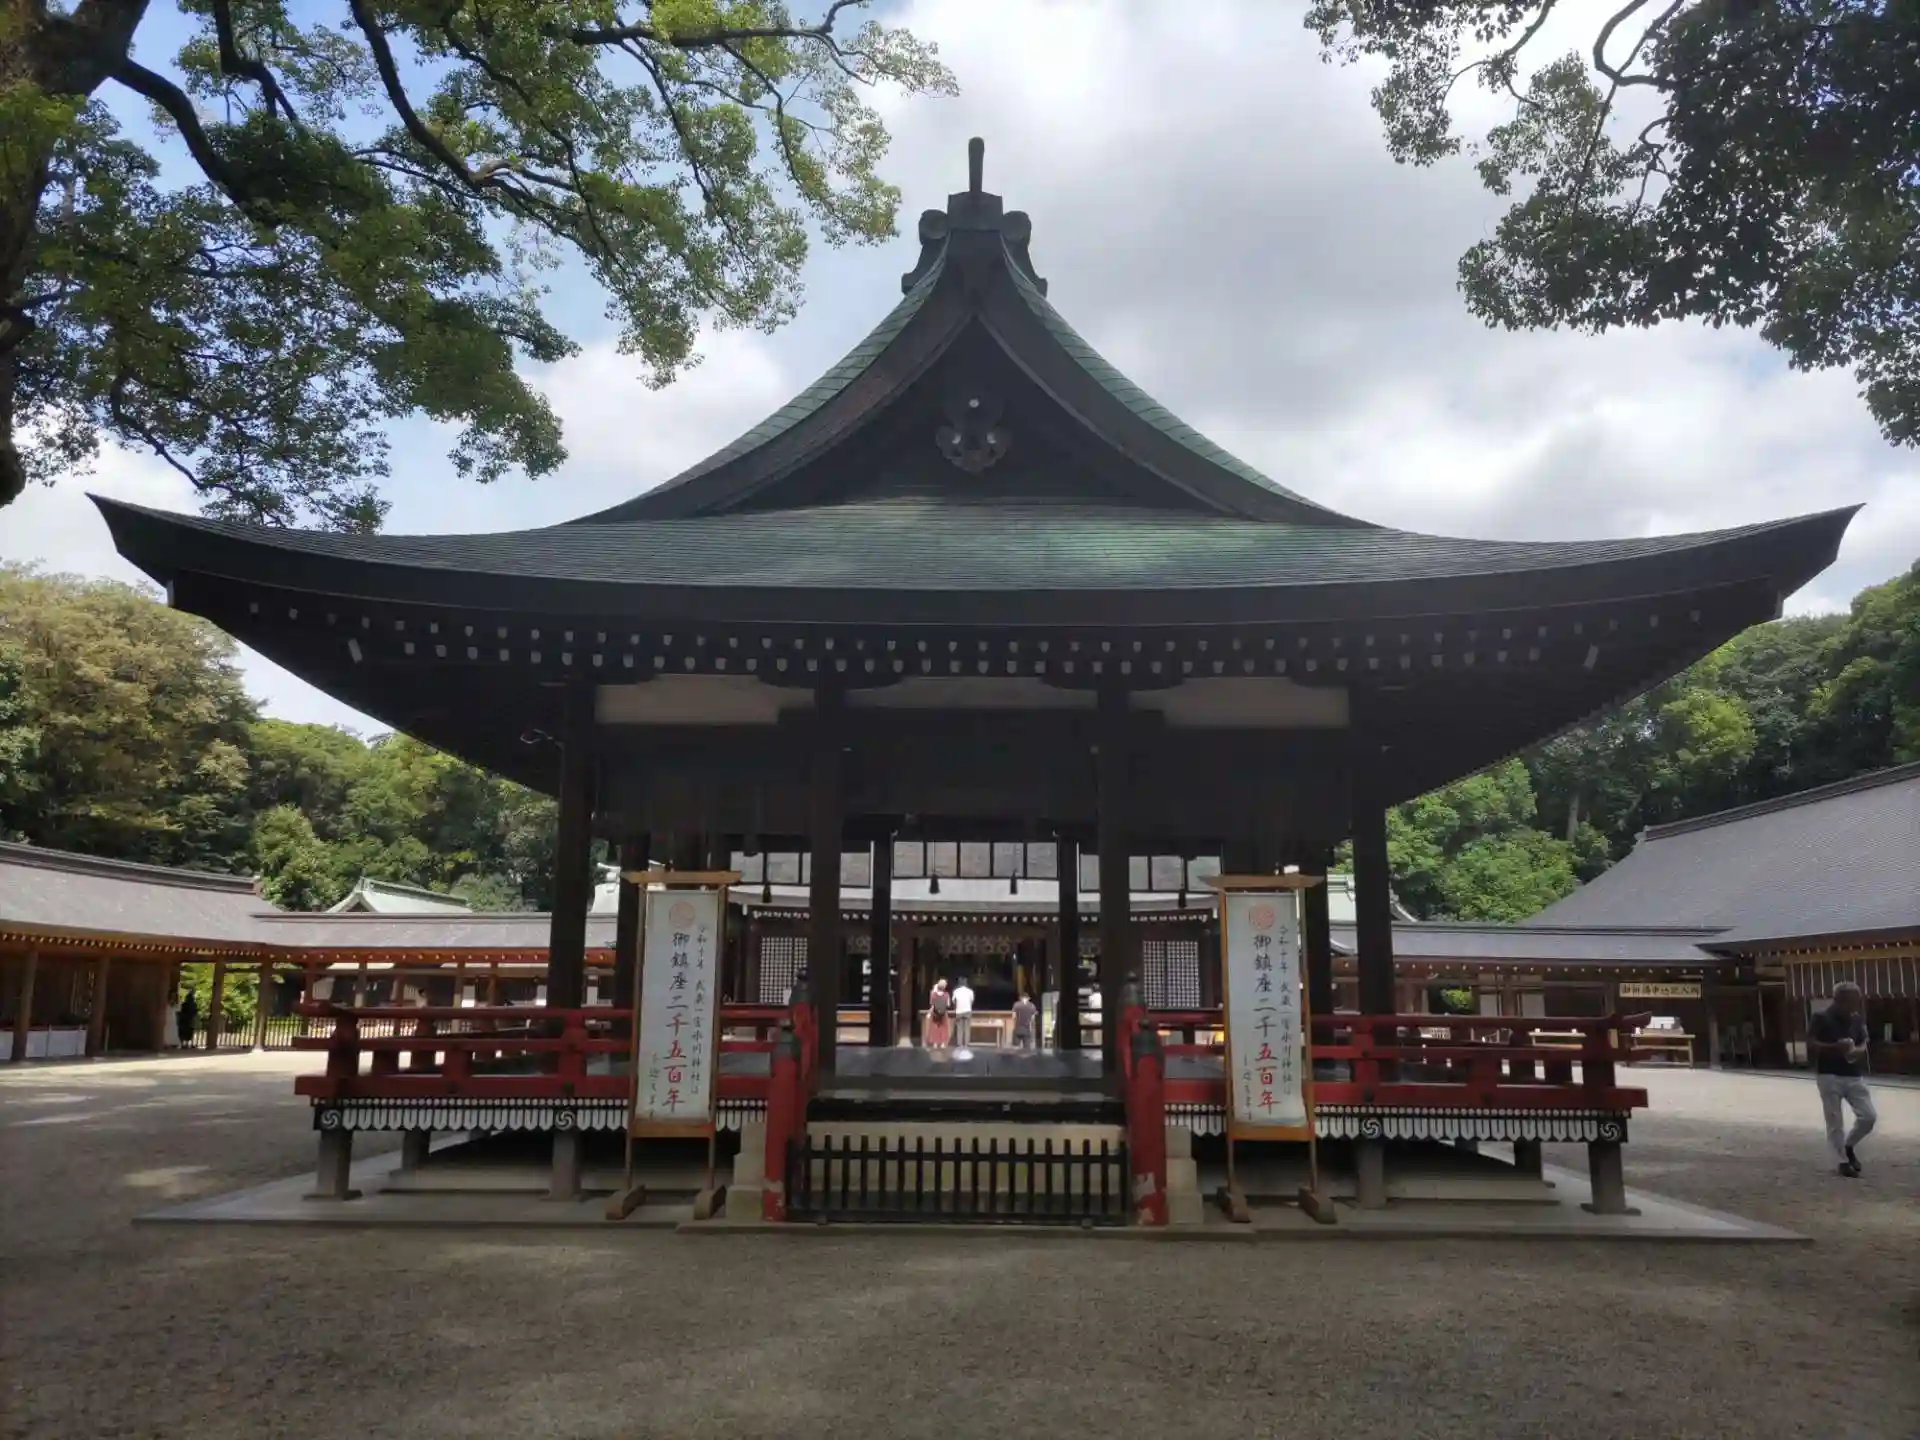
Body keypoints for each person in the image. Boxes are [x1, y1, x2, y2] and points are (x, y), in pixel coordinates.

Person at [1807, 982, 1876, 1177]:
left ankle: (1848, 1145)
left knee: (1868, 1116)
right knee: (1834, 1119)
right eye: (1851, 1001)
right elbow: (1811, 1043)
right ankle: (1842, 1161)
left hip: (1853, 1073)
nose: (1855, 1005)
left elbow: (1864, 1042)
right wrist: (1834, 1047)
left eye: (1856, 1001)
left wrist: (1857, 1051)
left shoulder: (1857, 1019)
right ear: (1838, 1000)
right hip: (1828, 1074)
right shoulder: (1821, 1017)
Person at [924, 979, 952, 1049]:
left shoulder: (933, 994)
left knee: (934, 1028)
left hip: (935, 1013)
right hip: (943, 1013)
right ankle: (942, 1043)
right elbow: (948, 1005)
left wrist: (929, 1013)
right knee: (943, 1028)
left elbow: (932, 1004)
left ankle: (935, 1043)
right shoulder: (946, 995)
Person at [952, 975, 975, 1050]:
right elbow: (971, 1001)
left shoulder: (956, 991)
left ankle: (960, 1044)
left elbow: (954, 1001)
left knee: (959, 1028)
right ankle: (966, 1043)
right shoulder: (970, 991)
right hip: (967, 1010)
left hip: (959, 1011)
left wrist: (957, 1007)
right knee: (967, 1028)